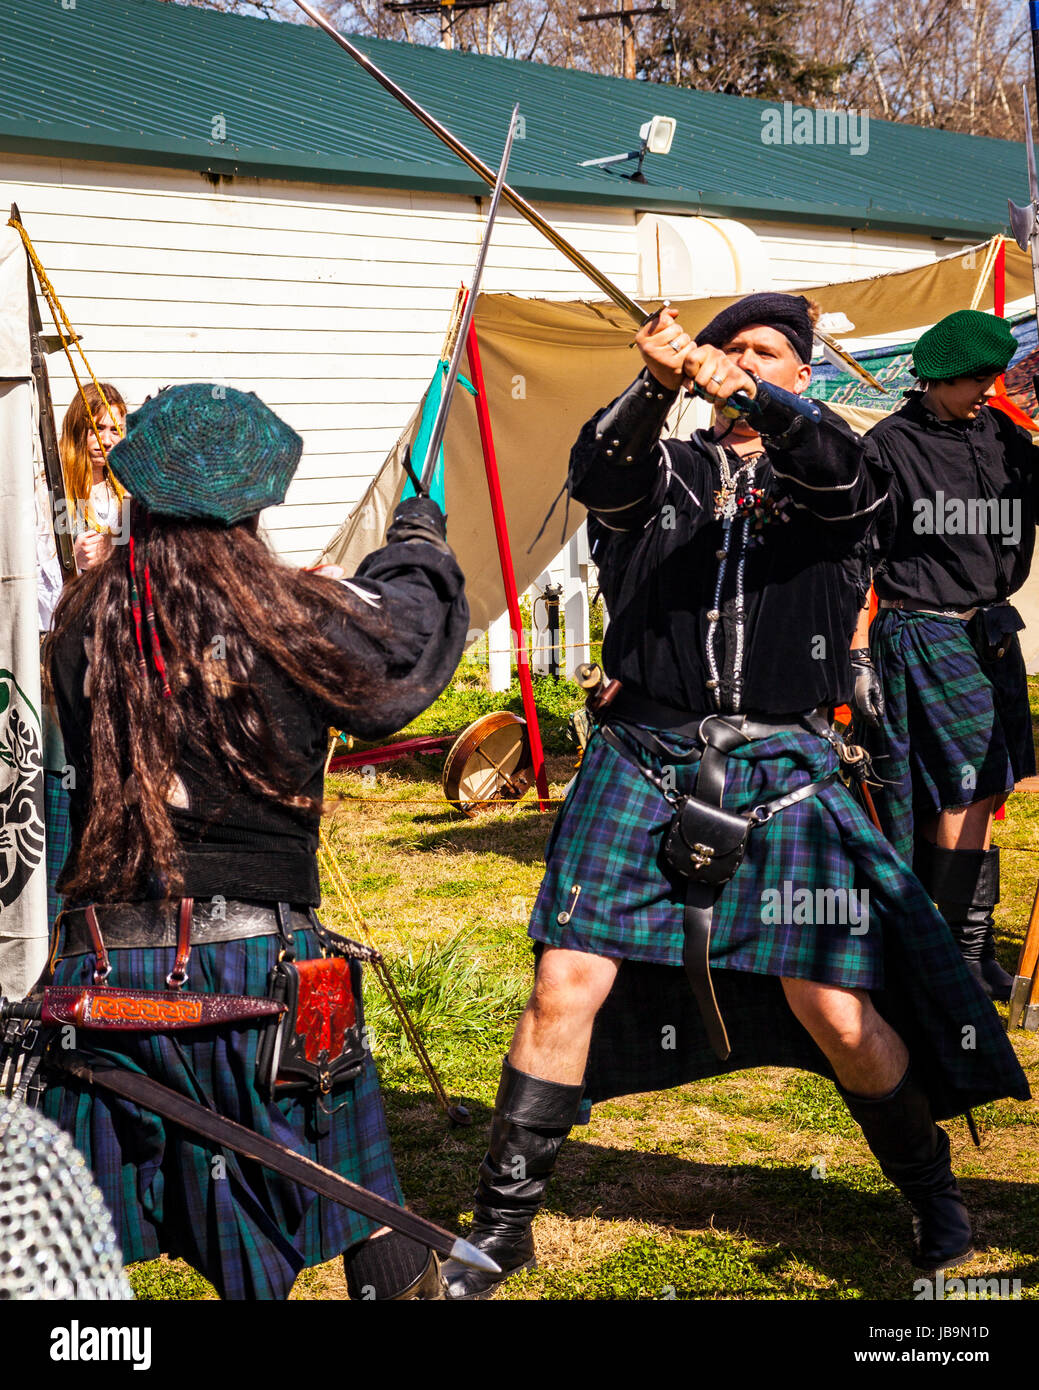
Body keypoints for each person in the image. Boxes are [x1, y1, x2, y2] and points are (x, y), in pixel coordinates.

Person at [442, 293, 1029, 1300]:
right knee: (564, 981)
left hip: (785, 767)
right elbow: (599, 476)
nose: (738, 364)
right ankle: (501, 1229)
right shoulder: (669, 468)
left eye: (764, 355)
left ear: (801, 376)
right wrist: (651, 384)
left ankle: (934, 1197)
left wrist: (756, 392)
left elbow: (839, 482)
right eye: (727, 350)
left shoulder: (847, 472)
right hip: (643, 756)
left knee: (834, 1007)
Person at [41, 383, 469, 1300]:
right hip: (260, 967)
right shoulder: (294, 614)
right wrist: (419, 544)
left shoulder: (82, 618)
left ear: (139, 489)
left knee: (66, 1249)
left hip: (104, 968)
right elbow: (405, 641)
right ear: (260, 498)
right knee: (357, 1198)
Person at [856, 310, 1038, 1001]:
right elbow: (855, 559)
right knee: (955, 789)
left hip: (989, 631)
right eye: (974, 381)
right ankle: (951, 956)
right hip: (923, 630)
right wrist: (853, 656)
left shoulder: (1000, 435)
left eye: (993, 378)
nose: (986, 390)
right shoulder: (887, 446)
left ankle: (966, 946)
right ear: (935, 377)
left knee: (985, 790)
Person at [58, 381, 128, 572]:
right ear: (77, 430)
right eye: (96, 428)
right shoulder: (54, 490)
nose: (106, 441)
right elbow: (26, 581)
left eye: (115, 430)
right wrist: (72, 562)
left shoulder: (127, 490)